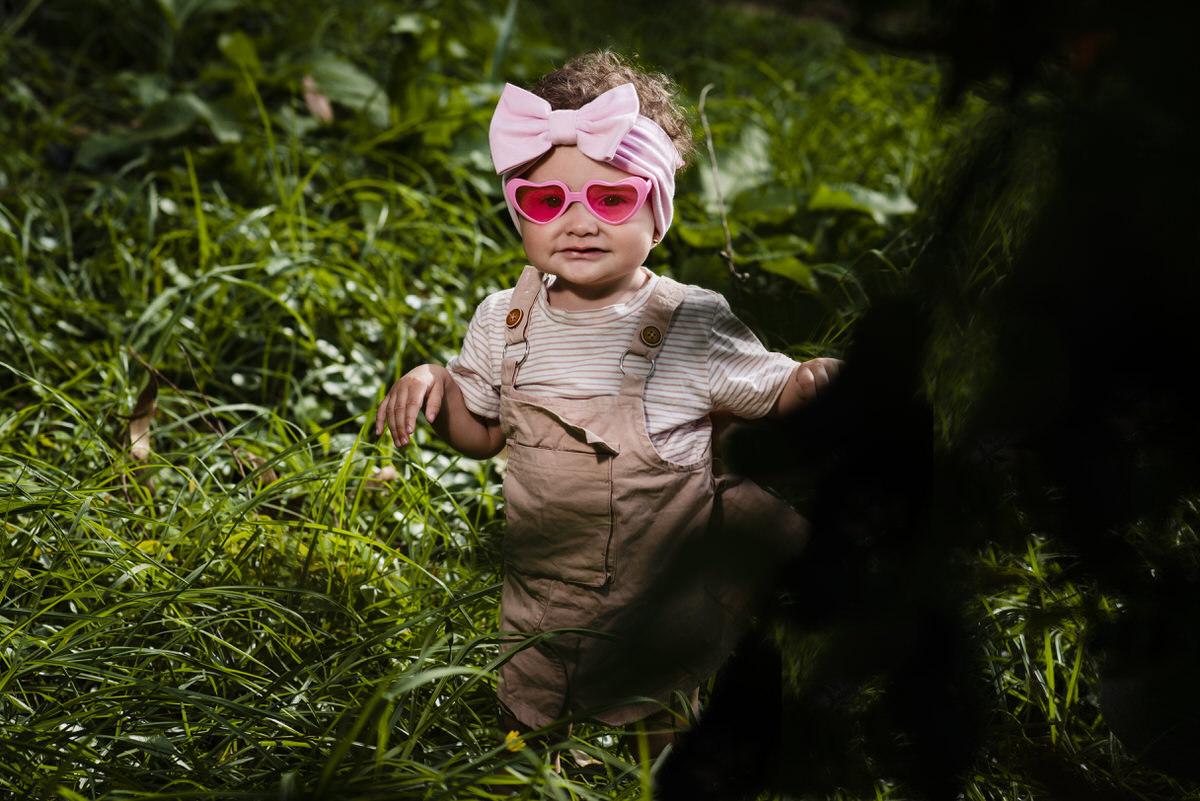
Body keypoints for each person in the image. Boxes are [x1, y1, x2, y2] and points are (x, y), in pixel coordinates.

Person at [375, 50, 840, 757]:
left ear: (657, 214)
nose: (579, 221)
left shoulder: (691, 322)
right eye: (547, 201)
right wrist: (437, 390)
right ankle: (530, 766)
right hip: (544, 587)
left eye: (611, 198)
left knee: (663, 711)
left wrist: (813, 382)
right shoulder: (505, 317)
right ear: (519, 213)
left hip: (657, 594)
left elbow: (776, 391)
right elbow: (483, 433)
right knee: (532, 703)